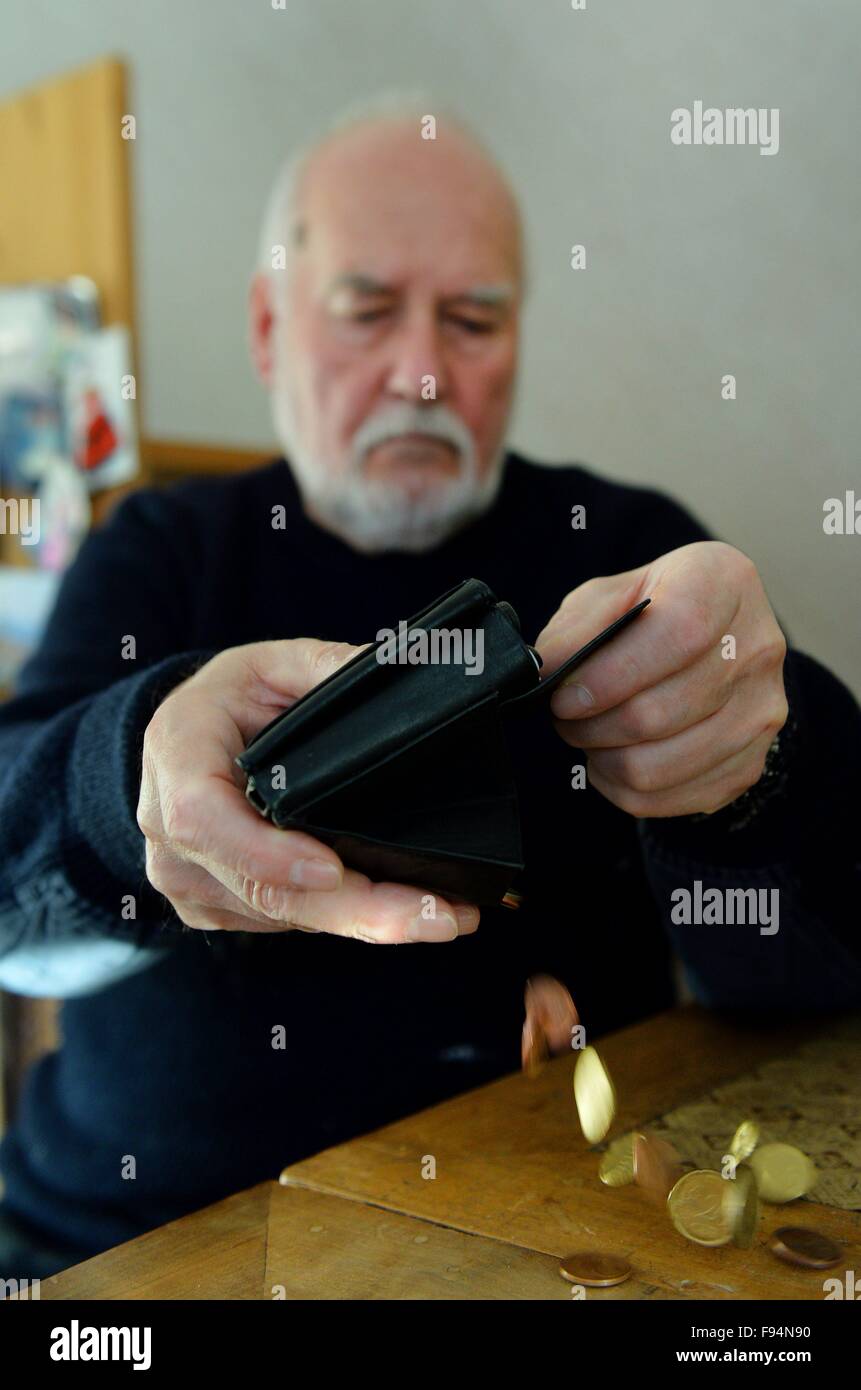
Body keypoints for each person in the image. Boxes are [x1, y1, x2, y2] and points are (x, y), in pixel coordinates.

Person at [0, 99, 858, 1279]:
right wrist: (133, 761)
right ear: (267, 328)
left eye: (473, 319)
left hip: (553, 1243)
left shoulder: (631, 558)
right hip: (126, 1249)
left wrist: (773, 757)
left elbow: (814, 983)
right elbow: (12, 912)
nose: (421, 372)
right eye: (365, 311)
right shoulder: (160, 549)